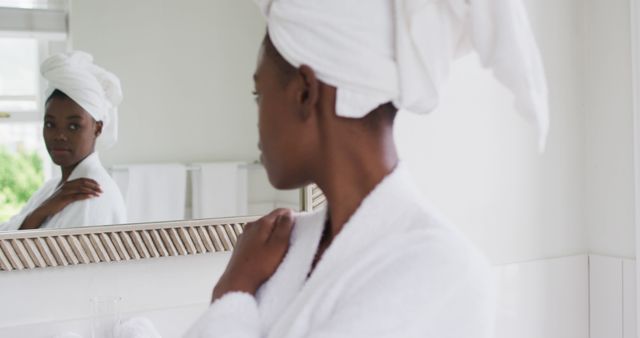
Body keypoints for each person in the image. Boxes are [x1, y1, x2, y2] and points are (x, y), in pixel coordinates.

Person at [187, 0, 548, 337]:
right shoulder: (286, 245)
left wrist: (232, 290)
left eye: (258, 94)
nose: (257, 117)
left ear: (305, 92)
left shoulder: (442, 273)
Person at [0, 51, 126, 231]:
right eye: (50, 124)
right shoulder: (52, 189)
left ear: (97, 128)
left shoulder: (91, 194)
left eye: (73, 126)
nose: (59, 135)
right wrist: (40, 213)